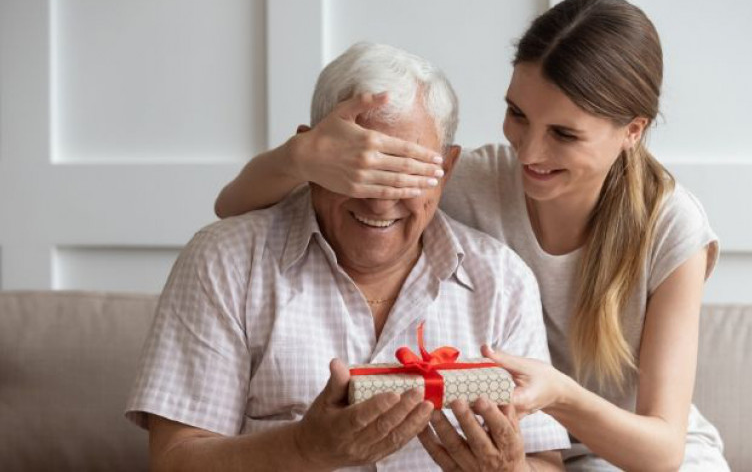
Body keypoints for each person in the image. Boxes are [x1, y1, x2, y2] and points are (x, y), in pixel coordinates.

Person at [212, 0, 730, 471]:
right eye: (517, 114)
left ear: (632, 132)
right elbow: (232, 208)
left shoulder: (670, 226)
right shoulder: (476, 179)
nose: (529, 152)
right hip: (533, 451)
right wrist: (302, 157)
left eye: (564, 134)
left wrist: (559, 395)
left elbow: (662, 447)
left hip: (642, 453)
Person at [125, 42, 570, 471]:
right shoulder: (226, 262)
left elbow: (544, 463)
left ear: (447, 170)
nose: (380, 203)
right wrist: (303, 449)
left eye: (406, 175)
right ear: (310, 156)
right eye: (361, 171)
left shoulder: (502, 280)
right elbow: (175, 461)